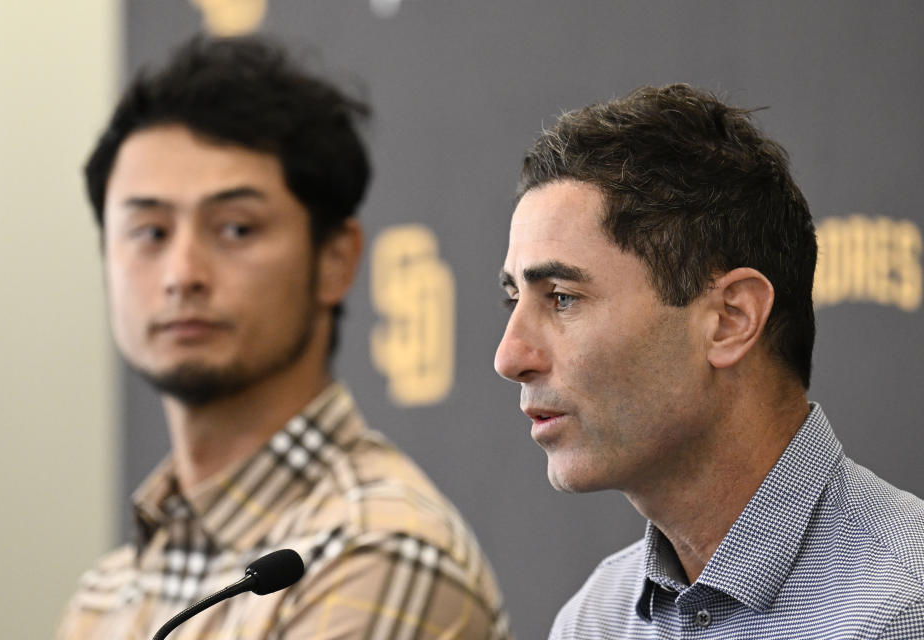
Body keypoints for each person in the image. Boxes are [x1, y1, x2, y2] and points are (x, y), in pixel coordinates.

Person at [58, 35, 510, 639]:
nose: (182, 274)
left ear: (335, 260)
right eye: (149, 232)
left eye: (237, 228)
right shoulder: (105, 594)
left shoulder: (376, 547)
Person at [494, 84, 924, 639]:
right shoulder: (595, 620)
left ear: (730, 319)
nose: (510, 357)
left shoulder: (905, 608)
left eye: (562, 297)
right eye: (514, 299)